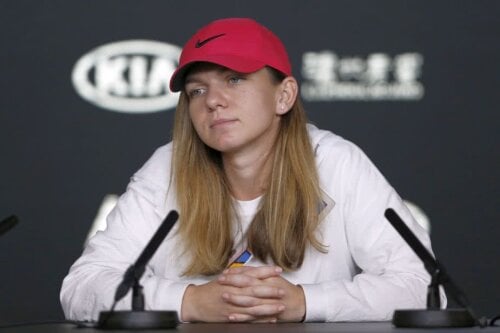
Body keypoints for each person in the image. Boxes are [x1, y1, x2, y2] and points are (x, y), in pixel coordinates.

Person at [61, 17, 443, 323]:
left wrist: (302, 302)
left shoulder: (335, 162)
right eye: (196, 90)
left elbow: (423, 286)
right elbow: (81, 288)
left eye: (234, 79)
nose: (213, 101)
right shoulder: (167, 168)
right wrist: (190, 301)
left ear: (284, 95)